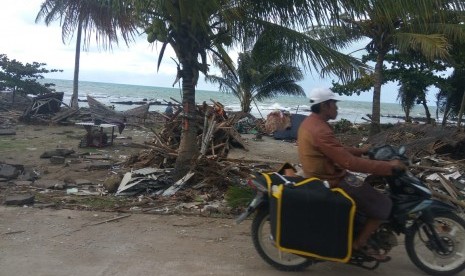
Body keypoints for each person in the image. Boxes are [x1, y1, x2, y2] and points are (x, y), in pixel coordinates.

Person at [297, 87, 406, 261]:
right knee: (383, 204)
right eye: (334, 104)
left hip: (321, 175)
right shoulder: (320, 130)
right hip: (331, 180)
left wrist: (360, 150)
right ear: (325, 105)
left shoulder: (310, 123)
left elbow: (334, 150)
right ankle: (360, 244)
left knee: (368, 192)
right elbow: (349, 163)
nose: (337, 108)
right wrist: (388, 166)